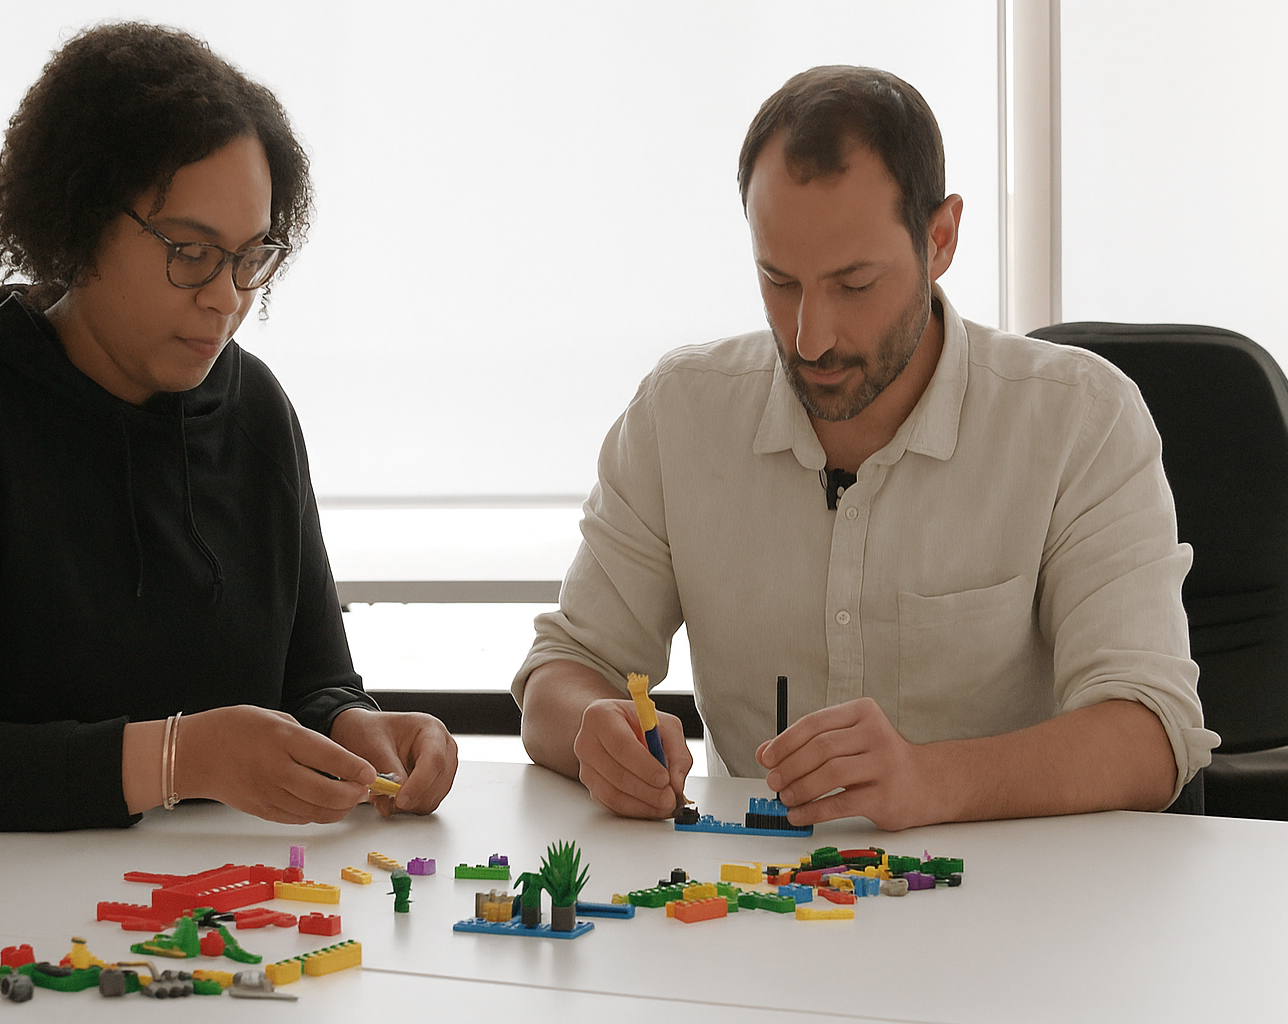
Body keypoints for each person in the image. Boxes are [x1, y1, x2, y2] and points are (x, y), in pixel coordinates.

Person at [0, 23, 456, 878]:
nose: (226, 298)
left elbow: (312, 682)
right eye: (191, 252)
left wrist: (355, 727)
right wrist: (180, 759)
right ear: (81, 225)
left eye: (250, 257)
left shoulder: (254, 412)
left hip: (159, 902)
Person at [513, 66, 1217, 830]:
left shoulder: (1081, 419)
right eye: (779, 281)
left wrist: (934, 780)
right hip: (758, 890)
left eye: (854, 285)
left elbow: (1151, 735)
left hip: (1017, 892)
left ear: (940, 238)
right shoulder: (679, 413)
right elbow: (562, 672)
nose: (810, 337)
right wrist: (594, 731)